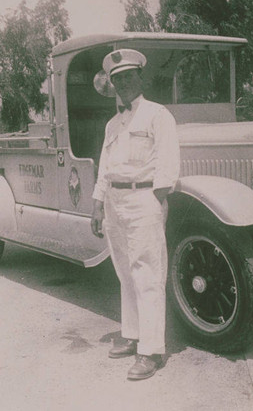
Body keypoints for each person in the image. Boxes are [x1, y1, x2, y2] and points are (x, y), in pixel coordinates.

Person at [91, 49, 180, 380]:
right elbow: (105, 167)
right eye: (117, 79)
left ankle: (151, 351)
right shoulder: (113, 124)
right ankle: (133, 334)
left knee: (148, 274)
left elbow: (168, 162)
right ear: (112, 85)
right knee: (125, 272)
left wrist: (159, 200)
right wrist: (98, 203)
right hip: (115, 202)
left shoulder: (158, 115)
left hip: (144, 198)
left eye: (128, 76)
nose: (123, 83)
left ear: (140, 78)